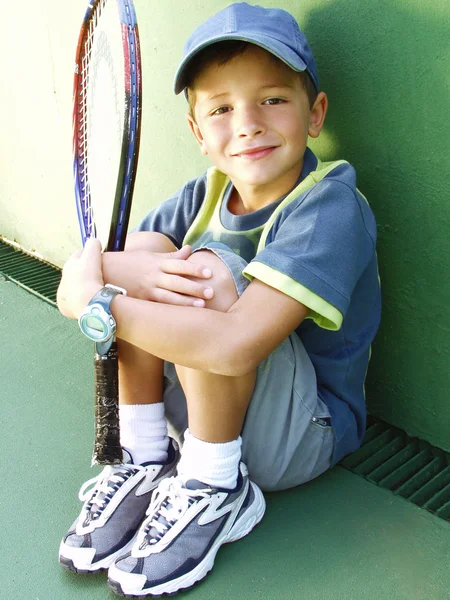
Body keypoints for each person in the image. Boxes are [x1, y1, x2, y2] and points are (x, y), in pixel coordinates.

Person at [57, 2, 381, 597]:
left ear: (316, 113)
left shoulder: (331, 205)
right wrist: (95, 281)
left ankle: (215, 487)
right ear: (198, 134)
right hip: (196, 416)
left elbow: (233, 348)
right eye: (222, 109)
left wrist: (94, 302)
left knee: (203, 270)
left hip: (299, 436)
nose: (250, 123)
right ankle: (144, 457)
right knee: (152, 252)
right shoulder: (203, 194)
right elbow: (95, 265)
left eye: (274, 100)